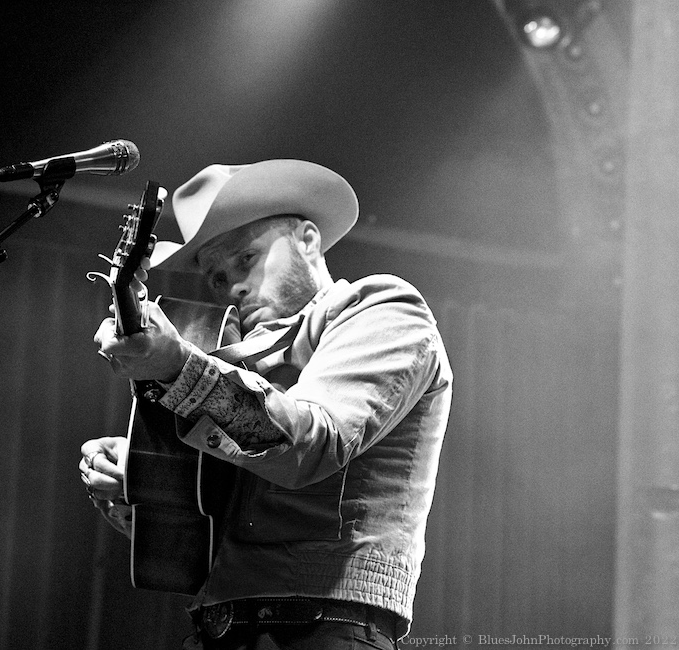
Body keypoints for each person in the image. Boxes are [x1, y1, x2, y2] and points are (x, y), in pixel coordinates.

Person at [79, 159, 452, 649]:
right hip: (217, 631)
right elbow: (200, 534)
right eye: (216, 278)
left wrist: (176, 365)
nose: (232, 285)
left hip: (324, 630)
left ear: (308, 240)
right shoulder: (230, 354)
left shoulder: (383, 308)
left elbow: (311, 444)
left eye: (247, 259)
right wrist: (142, 484)